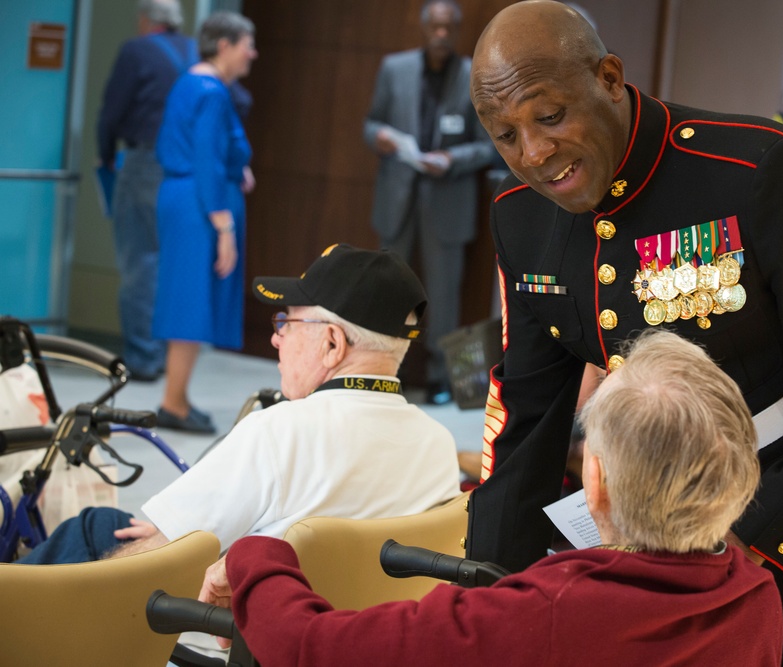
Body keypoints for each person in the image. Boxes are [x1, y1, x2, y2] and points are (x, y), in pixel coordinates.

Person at [464, 3, 783, 666]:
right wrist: (488, 584)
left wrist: (764, 532)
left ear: (607, 77)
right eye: (505, 136)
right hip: (666, 570)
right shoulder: (521, 221)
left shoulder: (761, 170)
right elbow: (524, 414)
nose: (534, 154)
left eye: (549, 116)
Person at [200, 329, 783, 666]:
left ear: (597, 483)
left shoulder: (550, 608)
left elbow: (311, 650)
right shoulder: (757, 596)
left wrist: (256, 554)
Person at [17, 244, 461, 564]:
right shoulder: (437, 446)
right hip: (350, 635)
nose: (275, 338)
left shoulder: (280, 431)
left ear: (331, 343)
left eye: (286, 322)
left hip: (242, 629)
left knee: (96, 529)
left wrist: (164, 536)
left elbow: (153, 558)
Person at [363, 0, 496, 404]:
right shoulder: (394, 68)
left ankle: (441, 379)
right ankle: (383, 370)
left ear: (457, 31)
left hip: (448, 196)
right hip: (398, 195)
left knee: (443, 292)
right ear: (424, 28)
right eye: (434, 27)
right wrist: (380, 138)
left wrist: (453, 160)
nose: (441, 35)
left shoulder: (472, 74)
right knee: (391, 288)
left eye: (448, 29)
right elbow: (371, 124)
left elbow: (489, 144)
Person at [152, 11, 257, 433]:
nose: (253, 53)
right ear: (225, 45)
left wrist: (239, 169)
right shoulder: (212, 91)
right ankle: (173, 402)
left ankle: (175, 397)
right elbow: (207, 160)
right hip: (199, 204)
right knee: (190, 302)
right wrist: (224, 227)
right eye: (247, 44)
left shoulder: (189, 81)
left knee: (186, 299)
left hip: (185, 197)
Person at [97, 0, 197, 382]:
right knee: (172, 263)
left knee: (140, 260)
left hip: (145, 163)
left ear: (145, 19)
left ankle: (142, 358)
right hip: (186, 171)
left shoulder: (136, 50)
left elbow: (111, 111)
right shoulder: (193, 52)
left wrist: (106, 155)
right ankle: (169, 357)